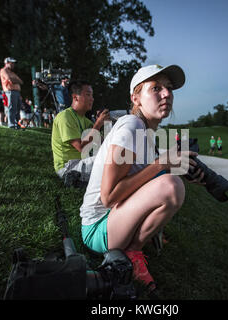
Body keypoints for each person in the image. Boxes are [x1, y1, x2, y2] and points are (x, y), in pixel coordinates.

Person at [79, 64, 204, 292]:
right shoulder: (131, 126)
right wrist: (162, 164)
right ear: (136, 98)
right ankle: (133, 251)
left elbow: (144, 181)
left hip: (115, 220)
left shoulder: (145, 132)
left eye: (168, 88)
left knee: (170, 179)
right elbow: (108, 197)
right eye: (156, 88)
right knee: (171, 186)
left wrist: (180, 170)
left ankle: (139, 240)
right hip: (97, 229)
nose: (166, 94)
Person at [51, 80, 109, 184]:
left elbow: (104, 144)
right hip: (68, 167)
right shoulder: (65, 117)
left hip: (82, 163)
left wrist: (105, 124)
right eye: (88, 94)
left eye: (92, 95)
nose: (92, 98)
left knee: (117, 157)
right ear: (75, 97)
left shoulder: (85, 121)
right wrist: (97, 125)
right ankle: (74, 179)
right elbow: (81, 147)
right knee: (113, 162)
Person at [0, 57, 23, 129]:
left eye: (13, 63)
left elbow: (21, 81)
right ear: (6, 63)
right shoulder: (3, 70)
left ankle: (17, 123)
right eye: (11, 63)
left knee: (17, 108)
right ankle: (11, 124)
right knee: (11, 108)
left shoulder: (12, 72)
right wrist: (16, 80)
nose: (13, 64)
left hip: (17, 92)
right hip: (10, 91)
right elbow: (10, 80)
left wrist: (15, 80)